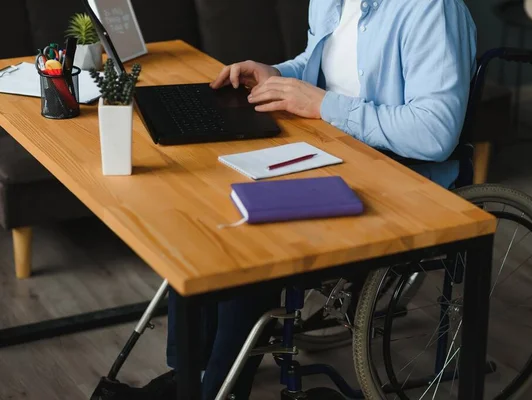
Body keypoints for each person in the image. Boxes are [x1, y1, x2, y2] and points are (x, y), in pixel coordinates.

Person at [162, 0, 477, 398]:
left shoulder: (430, 8)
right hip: (329, 149)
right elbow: (322, 64)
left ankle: (215, 391)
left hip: (397, 176)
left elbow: (434, 133)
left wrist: (321, 105)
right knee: (206, 213)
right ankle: (186, 376)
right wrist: (277, 75)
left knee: (250, 250)